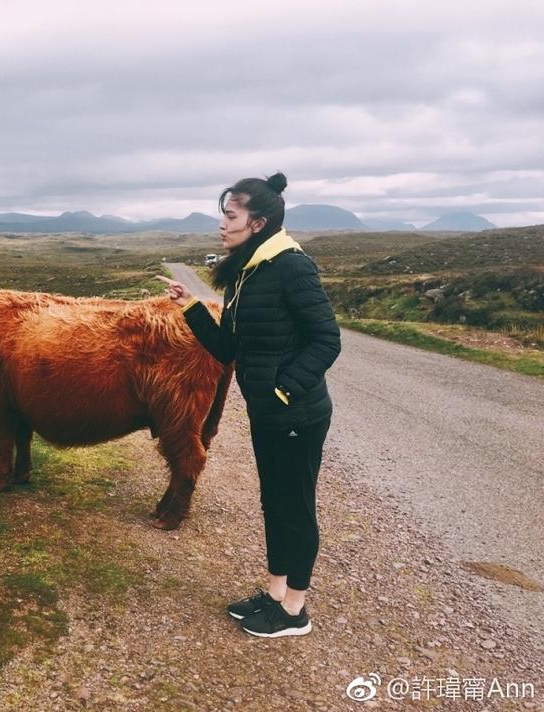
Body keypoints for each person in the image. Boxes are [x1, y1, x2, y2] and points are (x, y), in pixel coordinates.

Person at [157, 172, 341, 638]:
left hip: (295, 413)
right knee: (273, 501)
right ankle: (276, 592)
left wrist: (283, 390)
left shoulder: (292, 266)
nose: (223, 223)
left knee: (294, 506)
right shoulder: (250, 269)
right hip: (269, 412)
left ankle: (295, 612)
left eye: (231, 215)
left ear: (257, 223)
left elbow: (326, 340)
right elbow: (228, 346)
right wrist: (193, 305)